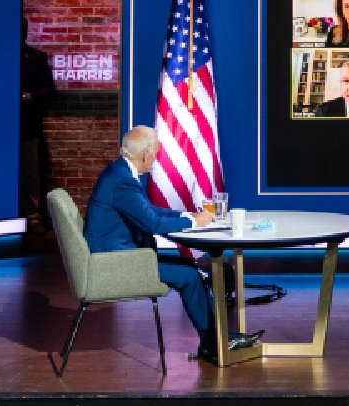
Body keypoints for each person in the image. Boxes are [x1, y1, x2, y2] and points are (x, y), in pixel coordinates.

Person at [82, 127, 260, 363]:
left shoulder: (119, 173)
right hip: (115, 263)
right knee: (189, 275)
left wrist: (187, 216)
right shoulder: (122, 181)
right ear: (145, 154)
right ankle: (215, 342)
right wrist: (192, 221)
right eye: (155, 153)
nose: (155, 159)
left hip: (121, 256)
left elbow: (148, 211)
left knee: (188, 266)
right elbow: (152, 223)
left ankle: (214, 341)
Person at [20, 21, 56, 231]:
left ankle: (33, 217)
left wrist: (30, 97)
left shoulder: (36, 57)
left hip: (28, 125)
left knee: (30, 171)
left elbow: (50, 89)